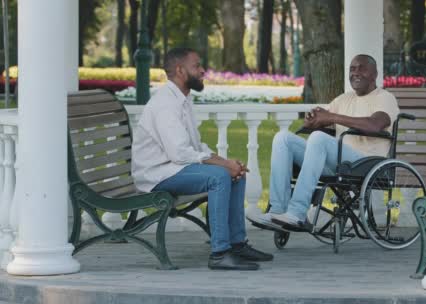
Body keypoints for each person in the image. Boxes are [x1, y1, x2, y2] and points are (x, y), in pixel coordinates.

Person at [131, 47, 272, 270]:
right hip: (157, 175)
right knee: (219, 177)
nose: (203, 70)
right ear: (179, 70)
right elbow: (180, 153)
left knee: (235, 174)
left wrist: (229, 164)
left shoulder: (182, 101)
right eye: (196, 66)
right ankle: (220, 253)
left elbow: (196, 147)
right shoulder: (165, 104)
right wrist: (223, 165)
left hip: (173, 168)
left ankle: (237, 244)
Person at [247, 54, 400, 232]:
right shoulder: (344, 99)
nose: (356, 73)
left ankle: (297, 213)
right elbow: (320, 119)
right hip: (339, 162)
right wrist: (313, 120)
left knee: (319, 138)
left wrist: (332, 117)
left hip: (366, 163)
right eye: (352, 69)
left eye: (362, 68)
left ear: (374, 74)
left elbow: (375, 125)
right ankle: (278, 211)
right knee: (283, 138)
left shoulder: (384, 97)